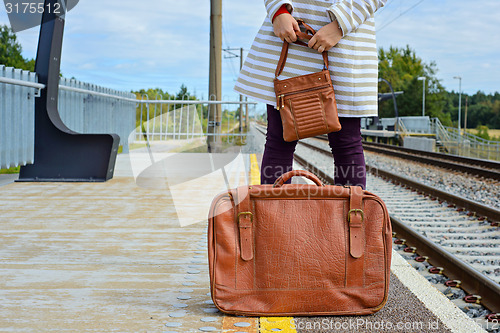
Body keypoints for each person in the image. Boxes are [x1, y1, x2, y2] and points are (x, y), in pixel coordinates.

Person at [234, 0, 387, 189]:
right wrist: (278, 10)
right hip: (289, 30)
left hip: (345, 38)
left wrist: (341, 24)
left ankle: (351, 217)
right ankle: (271, 217)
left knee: (346, 141)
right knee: (280, 137)